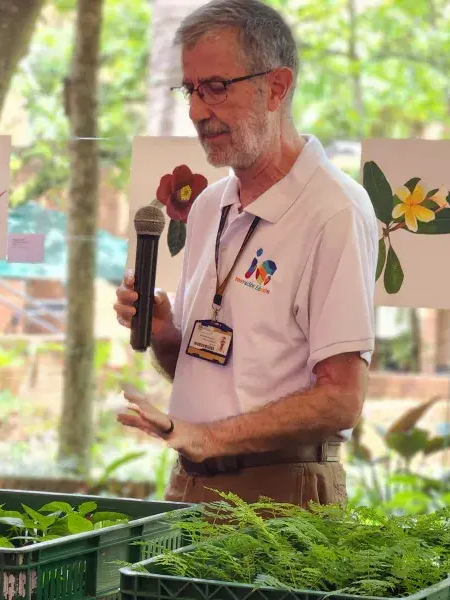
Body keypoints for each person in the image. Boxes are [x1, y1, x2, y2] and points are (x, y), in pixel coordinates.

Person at [113, 0, 377, 507]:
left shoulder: (333, 210)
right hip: (189, 482)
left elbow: (342, 397)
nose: (195, 111)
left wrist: (207, 438)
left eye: (215, 88)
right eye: (190, 90)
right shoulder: (211, 204)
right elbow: (211, 369)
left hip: (281, 495)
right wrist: (168, 335)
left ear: (275, 88)